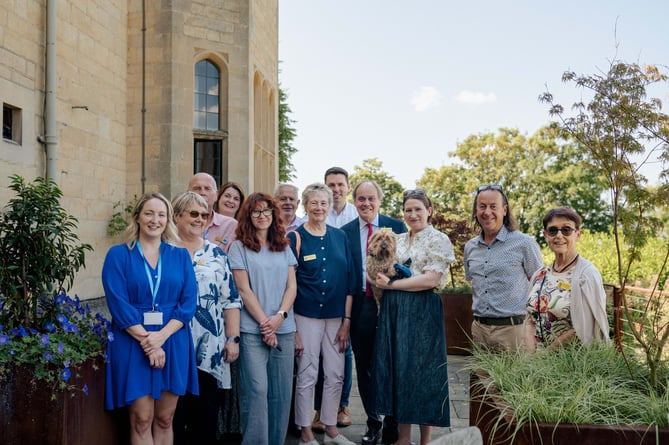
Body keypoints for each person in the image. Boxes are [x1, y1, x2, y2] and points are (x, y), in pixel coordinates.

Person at [102, 192, 198, 445]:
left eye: (161, 214)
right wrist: (148, 342)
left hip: (172, 339)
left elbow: (188, 303)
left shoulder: (180, 256)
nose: (155, 220)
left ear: (168, 220)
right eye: (149, 213)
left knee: (165, 418)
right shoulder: (118, 255)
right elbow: (117, 303)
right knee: (142, 419)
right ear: (137, 217)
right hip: (132, 341)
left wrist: (160, 338)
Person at [370, 189, 455, 445]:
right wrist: (378, 279)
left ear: (429, 211)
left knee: (425, 374)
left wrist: (391, 286)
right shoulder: (396, 238)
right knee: (399, 372)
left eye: (418, 209)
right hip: (394, 311)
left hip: (422, 310)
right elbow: (376, 265)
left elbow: (431, 279)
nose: (413, 214)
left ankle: (425, 441)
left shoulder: (438, 239)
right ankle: (403, 438)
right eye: (408, 210)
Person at [171, 192, 242, 445]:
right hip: (171, 348)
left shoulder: (217, 255)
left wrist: (233, 339)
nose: (200, 219)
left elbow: (230, 300)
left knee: (206, 418)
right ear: (176, 216)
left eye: (204, 215)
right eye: (193, 214)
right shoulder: (163, 252)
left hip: (209, 351)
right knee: (174, 419)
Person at [227, 192, 298, 445]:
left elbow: (292, 287)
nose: (262, 216)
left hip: (284, 328)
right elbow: (243, 289)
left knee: (280, 394)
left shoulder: (285, 246)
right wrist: (265, 325)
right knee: (256, 392)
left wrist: (279, 317)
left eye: (266, 211)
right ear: (248, 216)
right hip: (251, 330)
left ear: (274, 214)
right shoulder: (238, 247)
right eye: (256, 211)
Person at [288, 183, 356, 445]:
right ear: (305, 206)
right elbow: (288, 283)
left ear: (330, 206)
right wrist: (292, 328)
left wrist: (347, 321)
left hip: (336, 317)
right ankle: (306, 432)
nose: (319, 207)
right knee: (307, 372)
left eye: (323, 203)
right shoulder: (295, 237)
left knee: (336, 373)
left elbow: (349, 280)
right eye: (313, 203)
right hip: (305, 315)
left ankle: (330, 428)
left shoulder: (340, 237)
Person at [340, 180, 406, 445]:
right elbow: (345, 273)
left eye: (371, 198)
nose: (366, 203)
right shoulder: (344, 232)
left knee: (391, 365)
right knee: (364, 367)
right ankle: (372, 422)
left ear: (379, 200)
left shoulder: (397, 227)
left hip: (390, 304)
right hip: (361, 306)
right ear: (354, 201)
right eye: (360, 199)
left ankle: (392, 423)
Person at [464, 184, 543, 351]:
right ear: (476, 211)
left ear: (505, 210)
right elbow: (473, 282)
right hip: (479, 331)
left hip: (514, 332)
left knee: (517, 378)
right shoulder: (470, 247)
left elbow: (540, 285)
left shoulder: (524, 243)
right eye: (482, 206)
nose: (487, 212)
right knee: (481, 378)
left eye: (494, 206)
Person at [525, 207, 610, 351]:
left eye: (566, 230)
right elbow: (529, 320)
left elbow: (585, 327)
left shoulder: (587, 275)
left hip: (570, 365)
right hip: (536, 364)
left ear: (578, 234)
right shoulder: (539, 275)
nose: (559, 235)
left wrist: (545, 355)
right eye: (553, 230)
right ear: (546, 235)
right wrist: (529, 356)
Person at [188, 172, 238, 253]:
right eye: (197, 188)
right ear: (187, 193)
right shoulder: (178, 224)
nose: (202, 193)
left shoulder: (231, 226)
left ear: (216, 195)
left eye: (207, 188)